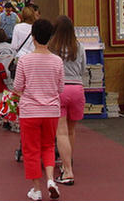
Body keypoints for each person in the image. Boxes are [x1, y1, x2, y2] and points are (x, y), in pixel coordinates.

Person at [11, 18, 64, 201]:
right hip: (51, 111)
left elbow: (17, 86)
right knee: (48, 146)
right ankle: (51, 180)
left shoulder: (24, 61)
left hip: (30, 111)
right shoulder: (57, 61)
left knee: (31, 150)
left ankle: (36, 189)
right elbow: (60, 88)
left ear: (32, 37)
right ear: (50, 38)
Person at [48, 15, 86, 186]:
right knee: (71, 131)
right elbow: (83, 68)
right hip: (77, 89)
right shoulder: (78, 46)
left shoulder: (52, 47)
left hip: (60, 90)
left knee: (60, 132)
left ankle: (67, 171)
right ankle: (68, 162)